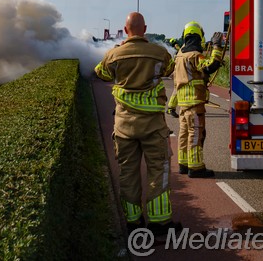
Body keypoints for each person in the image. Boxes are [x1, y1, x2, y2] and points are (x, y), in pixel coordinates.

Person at [94, 12, 181, 236]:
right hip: (153, 127)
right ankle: (160, 222)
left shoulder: (114, 55)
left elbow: (100, 73)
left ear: (125, 30)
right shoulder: (159, 53)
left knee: (128, 173)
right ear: (145, 29)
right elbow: (169, 70)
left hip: (124, 127)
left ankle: (133, 222)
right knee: (158, 171)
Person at [173, 21, 224, 178]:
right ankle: (195, 168)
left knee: (183, 134)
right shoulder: (195, 55)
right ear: (198, 37)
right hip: (195, 103)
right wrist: (217, 47)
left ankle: (183, 164)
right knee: (196, 134)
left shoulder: (179, 56)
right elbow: (210, 66)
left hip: (183, 104)